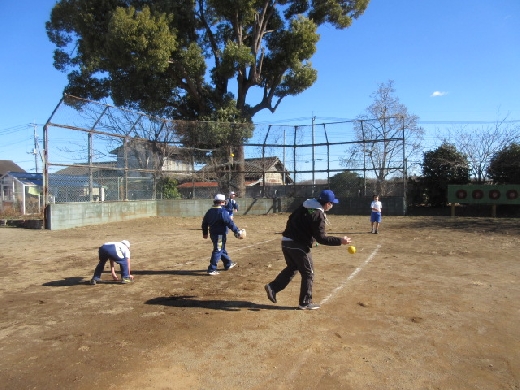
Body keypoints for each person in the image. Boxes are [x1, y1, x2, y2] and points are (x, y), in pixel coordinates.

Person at [264, 189, 352, 310]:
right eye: (332, 203)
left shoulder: (304, 206)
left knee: (293, 267)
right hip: (297, 245)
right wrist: (340, 241)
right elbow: (321, 238)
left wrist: (308, 238)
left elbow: (293, 220)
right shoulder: (318, 214)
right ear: (327, 203)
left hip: (286, 242)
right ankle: (305, 302)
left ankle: (273, 287)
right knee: (308, 272)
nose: (332, 206)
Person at [202, 194, 243, 275]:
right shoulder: (222, 212)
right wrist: (237, 231)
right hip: (220, 235)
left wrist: (205, 233)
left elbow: (204, 223)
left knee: (221, 249)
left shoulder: (209, 211)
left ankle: (228, 264)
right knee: (218, 250)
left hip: (213, 234)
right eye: (224, 202)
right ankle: (212, 269)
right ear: (222, 202)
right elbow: (229, 223)